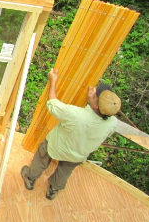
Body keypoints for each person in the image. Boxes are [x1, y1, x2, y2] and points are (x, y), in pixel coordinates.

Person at [21, 68, 121, 200]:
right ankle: (53, 189)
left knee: (42, 156)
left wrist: (53, 81)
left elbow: (53, 104)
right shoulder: (113, 122)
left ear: (96, 105)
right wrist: (93, 99)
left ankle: (29, 177)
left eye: (95, 93)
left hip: (57, 146)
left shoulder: (76, 115)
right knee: (65, 170)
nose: (93, 90)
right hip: (78, 155)